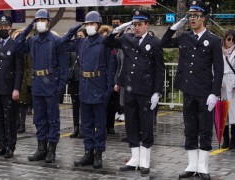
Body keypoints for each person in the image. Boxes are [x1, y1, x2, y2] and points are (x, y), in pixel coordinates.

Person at [160, 1, 223, 179]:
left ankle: (202, 166)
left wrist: (214, 93)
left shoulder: (214, 40)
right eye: (190, 15)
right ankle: (191, 164)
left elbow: (218, 69)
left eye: (196, 15)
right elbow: (164, 42)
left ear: (204, 17)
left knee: (204, 129)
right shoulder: (184, 37)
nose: (192, 18)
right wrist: (174, 27)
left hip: (204, 92)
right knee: (190, 128)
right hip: (187, 90)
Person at [104, 11, 165, 174]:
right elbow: (107, 42)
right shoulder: (126, 39)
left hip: (146, 91)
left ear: (147, 25)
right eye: (135, 25)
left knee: (145, 125)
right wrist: (119, 29)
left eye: (140, 24)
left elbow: (160, 69)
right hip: (129, 89)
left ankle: (145, 160)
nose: (137, 28)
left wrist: (157, 92)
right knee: (131, 124)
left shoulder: (154, 42)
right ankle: (134, 159)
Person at [62, 11, 115, 169]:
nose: (90, 26)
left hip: (99, 86)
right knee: (86, 124)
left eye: (92, 24)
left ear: (98, 25)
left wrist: (109, 89)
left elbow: (111, 67)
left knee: (99, 124)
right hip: (84, 87)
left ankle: (98, 153)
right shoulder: (81, 42)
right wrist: (75, 28)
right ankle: (88, 152)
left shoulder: (105, 42)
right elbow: (63, 44)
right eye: (88, 24)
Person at [17, 9, 68, 163]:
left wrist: (59, 87)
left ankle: (51, 150)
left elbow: (64, 67)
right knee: (39, 119)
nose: (40, 23)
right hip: (37, 84)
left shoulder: (56, 41)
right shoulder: (32, 40)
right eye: (37, 21)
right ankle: (41, 148)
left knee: (52, 119)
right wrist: (27, 28)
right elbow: (17, 46)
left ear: (49, 22)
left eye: (42, 20)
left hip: (51, 83)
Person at [0, 15, 30, 158]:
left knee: (10, 119)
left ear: (10, 28)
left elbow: (20, 69)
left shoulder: (16, 44)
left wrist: (16, 89)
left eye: (6, 26)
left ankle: (10, 146)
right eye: (0, 27)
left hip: (8, 88)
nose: (3, 29)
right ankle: (1, 145)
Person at [12, 28, 35, 134]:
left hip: (24, 81)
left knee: (23, 104)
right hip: (14, 79)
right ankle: (16, 124)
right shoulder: (14, 49)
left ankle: (22, 124)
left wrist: (29, 82)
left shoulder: (27, 51)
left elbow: (29, 68)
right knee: (15, 105)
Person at [69, 28, 87, 138]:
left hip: (83, 80)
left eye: (81, 36)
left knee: (83, 106)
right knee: (75, 106)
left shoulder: (86, 48)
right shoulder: (73, 48)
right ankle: (76, 127)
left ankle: (83, 128)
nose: (79, 38)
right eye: (78, 36)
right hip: (73, 80)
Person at [221, 29, 235, 150]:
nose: (230, 42)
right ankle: (225, 140)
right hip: (222, 85)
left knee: (233, 113)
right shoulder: (220, 52)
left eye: (233, 39)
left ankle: (233, 140)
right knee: (223, 112)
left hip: (233, 84)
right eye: (228, 39)